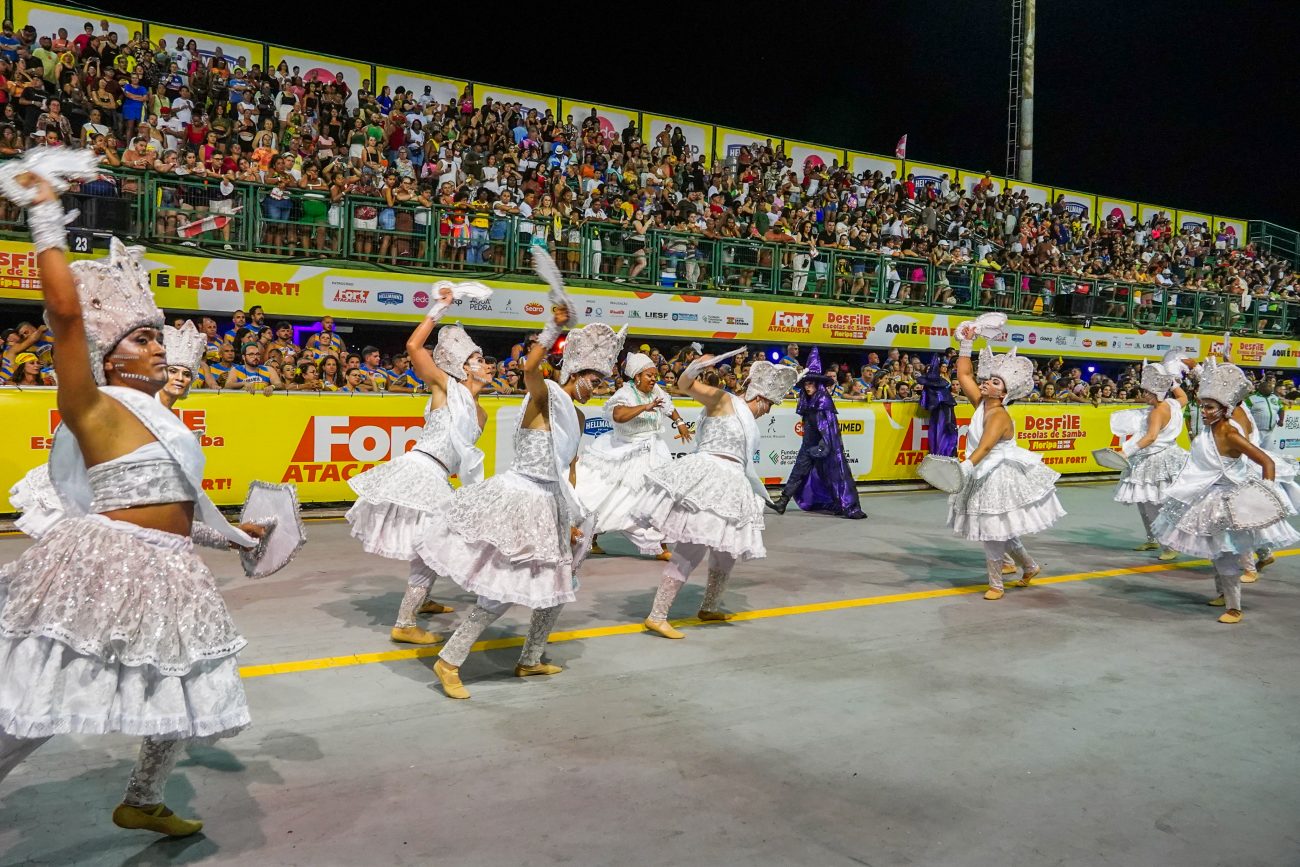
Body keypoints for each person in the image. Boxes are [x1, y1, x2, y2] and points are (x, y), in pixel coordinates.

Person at [0, 161, 264, 838]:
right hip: (109, 563)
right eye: (143, 338)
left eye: (156, 336)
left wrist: (235, 534)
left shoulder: (169, 418)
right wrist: (45, 213)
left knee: (181, 684)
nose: (157, 347)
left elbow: (177, 506)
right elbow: (62, 311)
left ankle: (142, 797)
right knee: (55, 692)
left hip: (171, 566)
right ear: (109, 356)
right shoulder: (92, 402)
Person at [416, 253, 623, 699]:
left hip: (551, 503)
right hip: (521, 500)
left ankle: (531, 658)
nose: (597, 384)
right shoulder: (544, 396)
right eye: (592, 376)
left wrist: (568, 516)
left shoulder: (579, 416)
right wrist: (553, 330)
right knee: (501, 591)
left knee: (556, 586)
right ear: (574, 372)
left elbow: (564, 472)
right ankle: (449, 660)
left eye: (601, 379)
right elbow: (530, 369)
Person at [346, 282, 493, 645]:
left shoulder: (483, 413)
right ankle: (405, 622)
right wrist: (438, 309)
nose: (487, 365)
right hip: (420, 469)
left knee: (435, 540)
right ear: (463, 368)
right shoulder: (445, 386)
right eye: (478, 360)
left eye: (486, 360)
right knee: (433, 543)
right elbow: (413, 347)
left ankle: (422, 600)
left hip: (440, 476)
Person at [632, 357, 798, 639]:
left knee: (726, 551)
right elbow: (684, 385)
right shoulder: (724, 400)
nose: (767, 412)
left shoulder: (748, 421)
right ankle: (657, 616)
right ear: (758, 397)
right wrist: (694, 367)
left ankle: (709, 606)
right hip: (709, 477)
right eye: (768, 405)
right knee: (691, 548)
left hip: (733, 482)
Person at [1151, 359, 1300, 624]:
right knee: (1215, 552)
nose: (1204, 412)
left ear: (1225, 409)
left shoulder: (1231, 433)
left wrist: (1265, 495)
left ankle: (1235, 607)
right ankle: (1223, 594)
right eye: (1203, 406)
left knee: (1228, 555)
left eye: (1209, 407)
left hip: (1230, 502)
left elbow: (1266, 462)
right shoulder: (1208, 432)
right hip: (1208, 498)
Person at [948, 325, 1065, 600]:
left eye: (995, 382)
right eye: (988, 379)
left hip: (997, 475)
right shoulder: (981, 404)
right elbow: (964, 373)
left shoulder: (999, 414)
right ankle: (1030, 566)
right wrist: (967, 343)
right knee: (1000, 528)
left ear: (1003, 393)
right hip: (982, 471)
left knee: (992, 530)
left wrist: (964, 467)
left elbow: (987, 446)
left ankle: (996, 584)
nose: (987, 381)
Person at [576, 350, 693, 559]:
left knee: (660, 496)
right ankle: (592, 536)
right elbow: (618, 416)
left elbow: (669, 407)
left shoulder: (656, 390)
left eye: (655, 375)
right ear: (637, 376)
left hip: (653, 449)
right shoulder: (625, 394)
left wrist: (681, 423)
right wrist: (644, 407)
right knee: (609, 495)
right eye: (649, 375)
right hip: (626, 448)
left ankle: (660, 546)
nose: (653, 379)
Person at [768, 348, 866, 519]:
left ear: (818, 384)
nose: (808, 387)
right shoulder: (809, 401)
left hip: (826, 446)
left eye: (811, 384)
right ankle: (782, 501)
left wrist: (822, 448)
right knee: (798, 472)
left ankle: (843, 504)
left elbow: (828, 430)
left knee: (832, 476)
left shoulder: (823, 402)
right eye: (806, 384)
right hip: (810, 445)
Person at [1113, 362, 1189, 560]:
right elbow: (1183, 396)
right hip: (1167, 456)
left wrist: (1125, 452)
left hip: (1155, 459)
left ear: (1158, 393)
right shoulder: (1172, 404)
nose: (1144, 396)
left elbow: (1151, 437)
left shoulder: (1158, 411)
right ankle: (1153, 538)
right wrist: (1172, 382)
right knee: (1144, 501)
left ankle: (1169, 545)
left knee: (1152, 504)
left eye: (1147, 393)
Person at [917, 353, 959, 458]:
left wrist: (949, 422)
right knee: (936, 438)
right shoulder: (937, 389)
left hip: (944, 416)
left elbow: (929, 404)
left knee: (943, 439)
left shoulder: (935, 390)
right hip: (938, 415)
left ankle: (944, 459)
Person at [157, 320, 206, 410]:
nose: (180, 378)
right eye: (173, 371)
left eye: (187, 374)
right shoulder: (140, 408)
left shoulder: (171, 418)